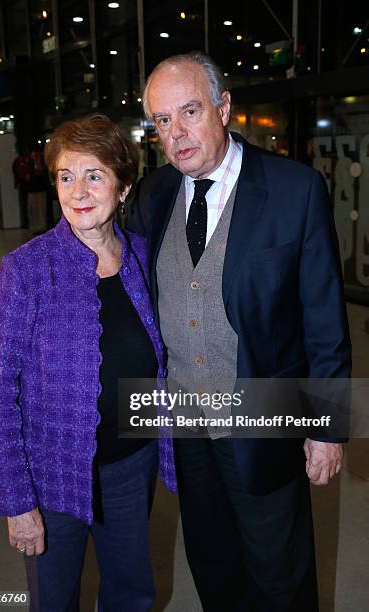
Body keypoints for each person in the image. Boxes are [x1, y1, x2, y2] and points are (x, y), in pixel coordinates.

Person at [126, 52, 351, 611]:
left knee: (280, 573)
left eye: (190, 111)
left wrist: (327, 427)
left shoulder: (294, 189)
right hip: (189, 426)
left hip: (264, 418)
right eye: (161, 121)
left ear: (224, 107)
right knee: (213, 563)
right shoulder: (153, 197)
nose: (176, 134)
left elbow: (324, 318)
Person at [0, 113, 177, 612]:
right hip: (51, 476)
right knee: (55, 600)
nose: (78, 191)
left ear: (124, 186)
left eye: (95, 175)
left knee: (132, 594)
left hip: (131, 469)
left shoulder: (144, 259)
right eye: (67, 176)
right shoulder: (26, 270)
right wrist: (17, 502)